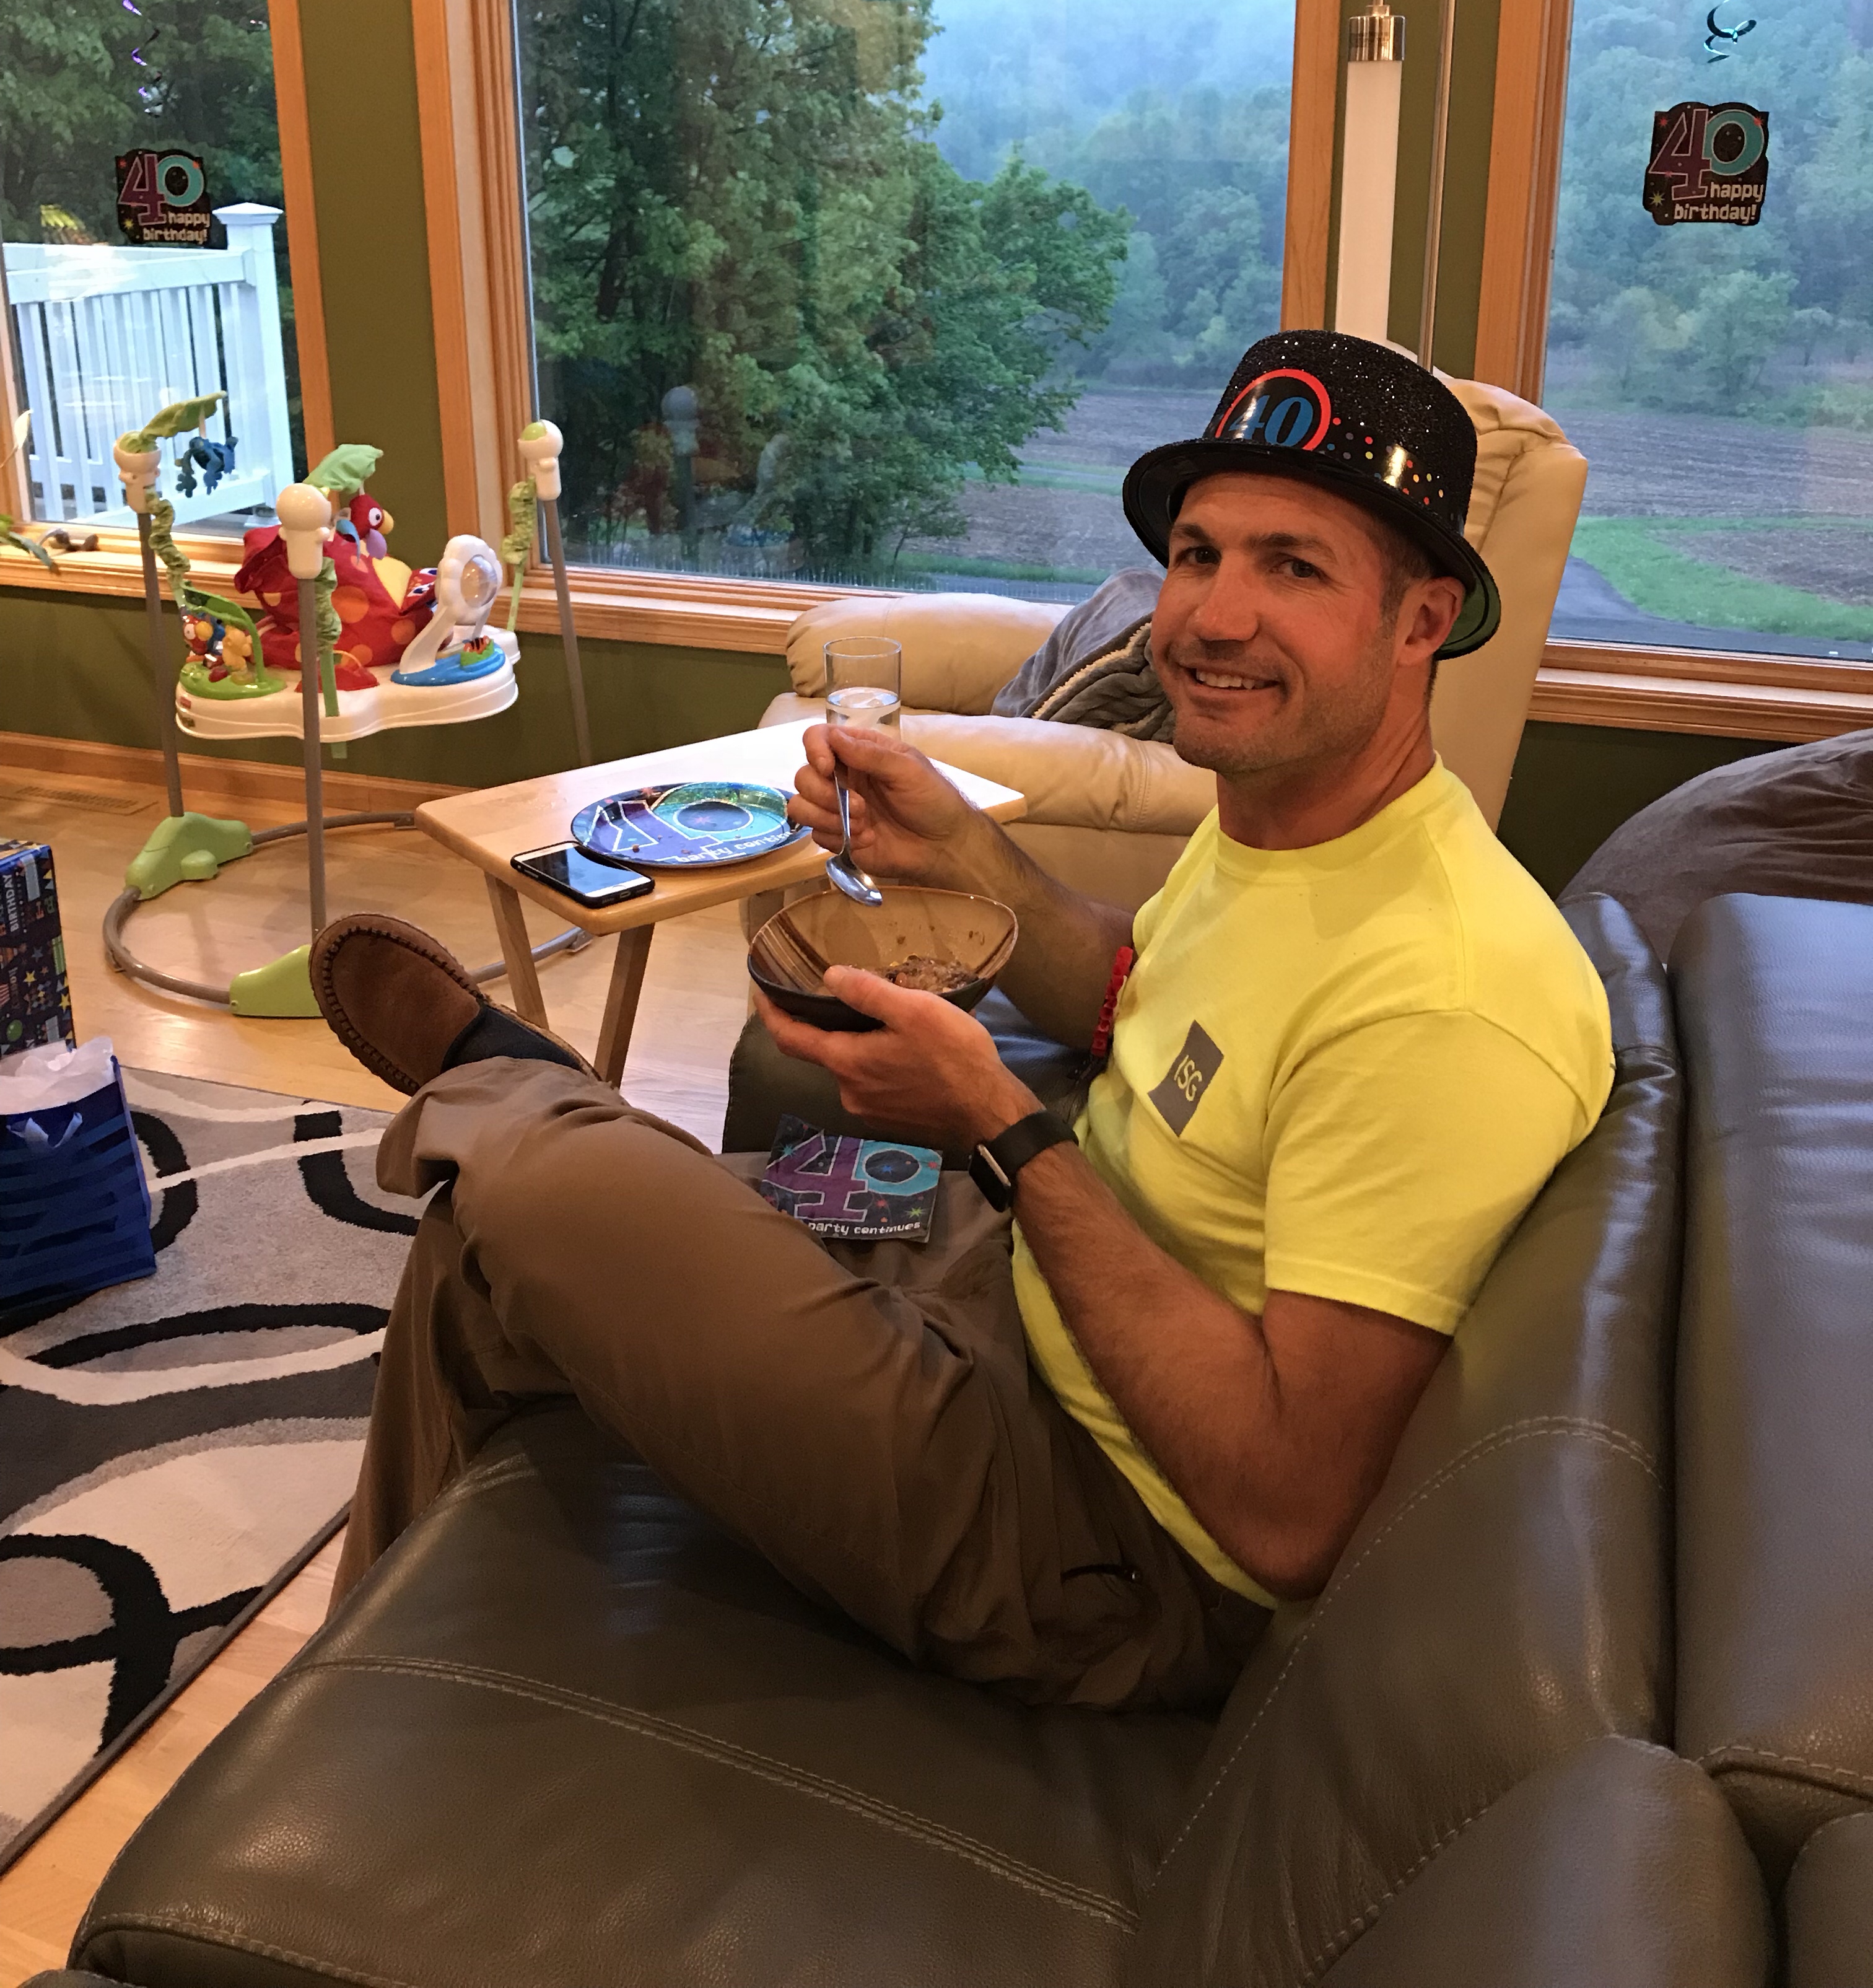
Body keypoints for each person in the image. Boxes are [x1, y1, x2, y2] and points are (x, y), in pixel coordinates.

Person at [312, 331, 1612, 1710]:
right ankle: (362, 1703)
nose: (1214, 617)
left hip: (1086, 1523)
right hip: (991, 1270)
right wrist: (961, 849)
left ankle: (512, 1075)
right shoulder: (1290, 833)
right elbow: (1138, 996)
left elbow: (1286, 1516)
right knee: (488, 1235)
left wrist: (1000, 1126)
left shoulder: (1441, 995)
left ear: (1422, 621)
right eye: (1198, 554)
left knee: (551, 1185)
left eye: (1295, 567)